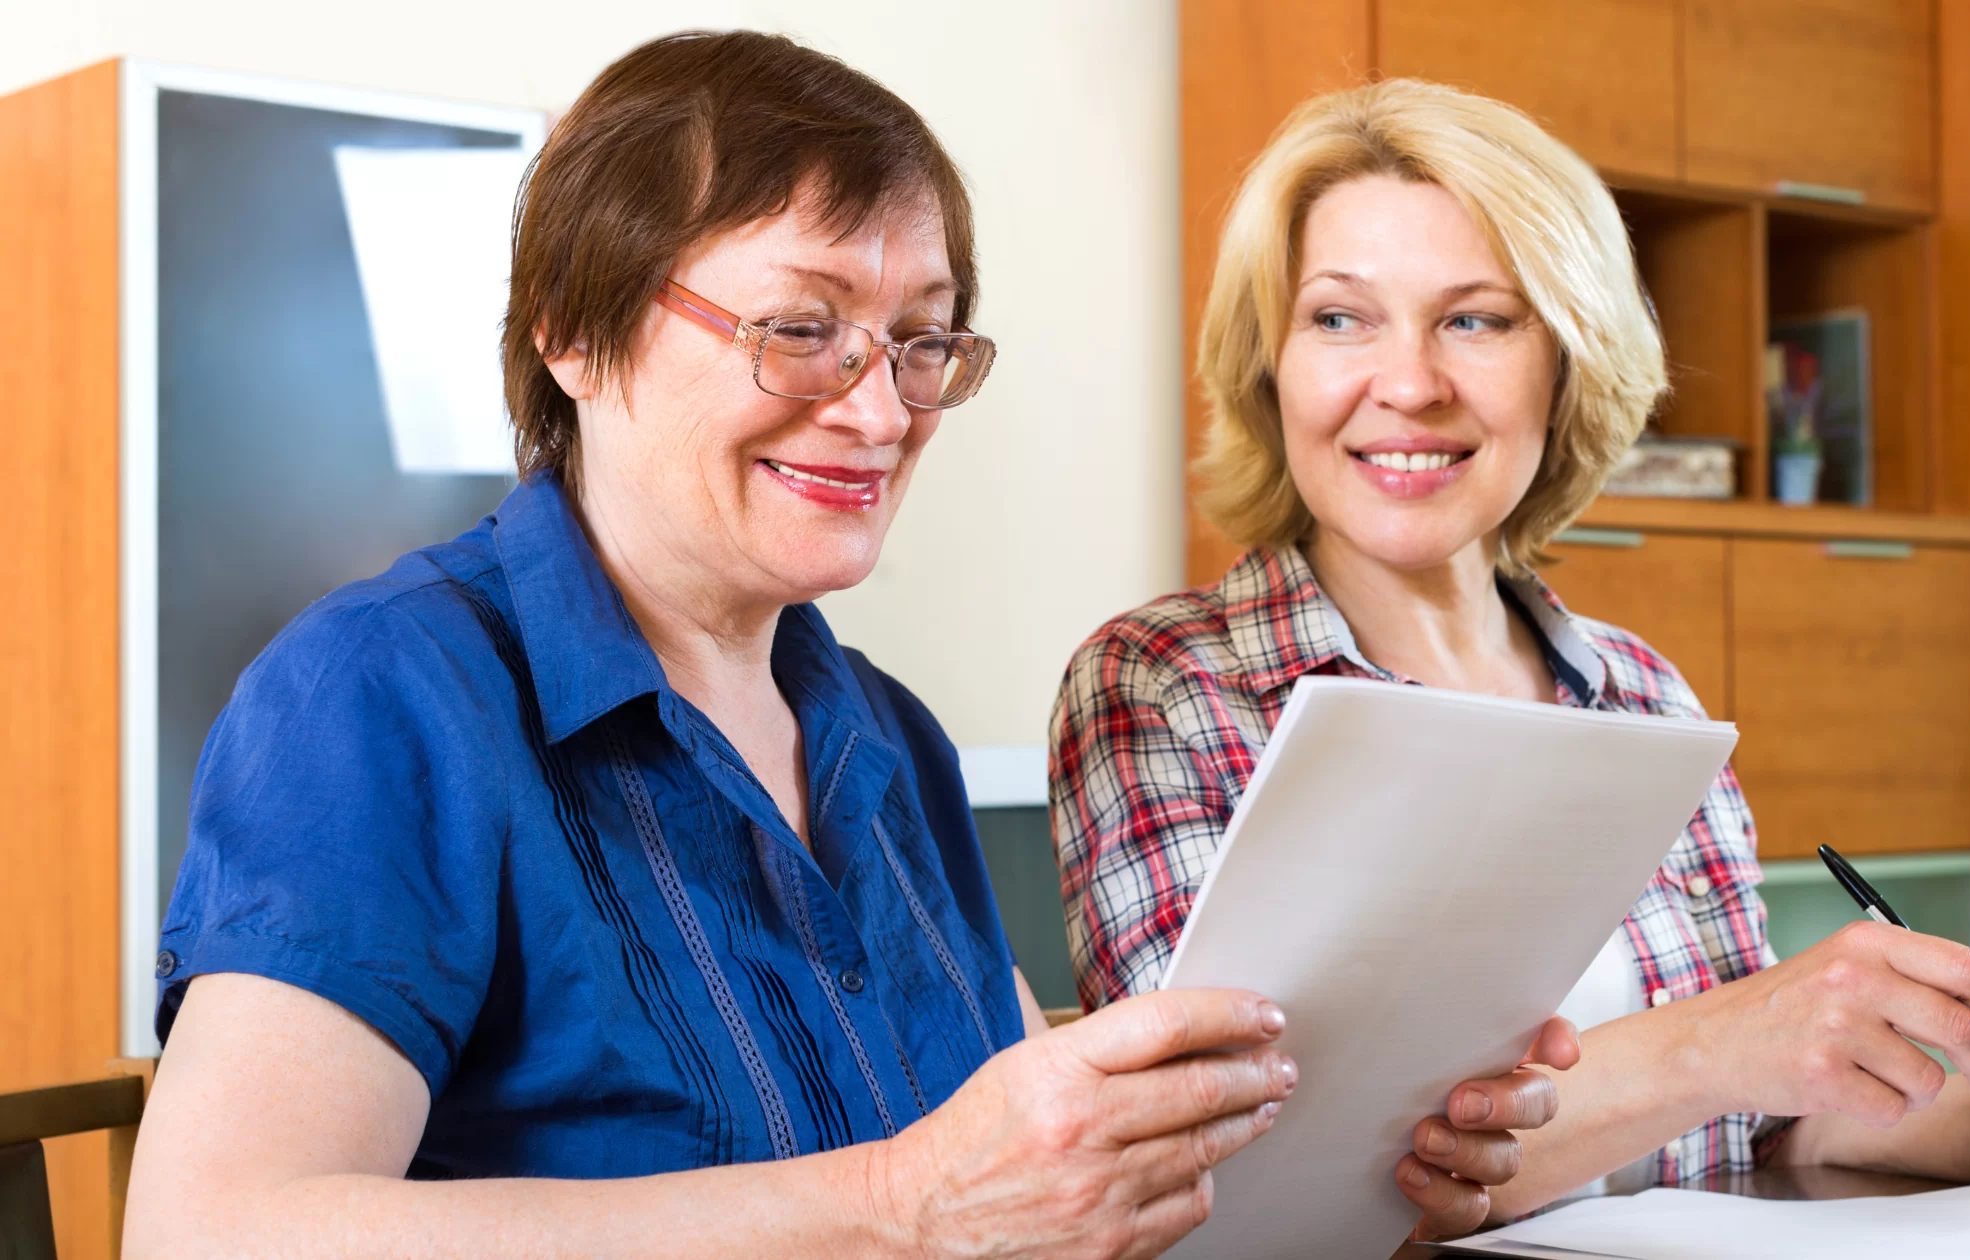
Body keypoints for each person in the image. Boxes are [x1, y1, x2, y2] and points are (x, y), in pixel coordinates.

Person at [125, 34, 1565, 1257]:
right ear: (572, 328)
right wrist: (902, 1203)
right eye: (803, 328)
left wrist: (1384, 1120)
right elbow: (218, 1229)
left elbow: (1023, 1174)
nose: (881, 414)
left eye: (923, 342)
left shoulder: (884, 734)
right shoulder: (386, 693)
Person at [1049, 78, 1970, 1235]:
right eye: (1339, 318)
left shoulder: (1641, 695)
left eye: (1476, 320)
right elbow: (1225, 1189)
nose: (1406, 383)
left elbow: (1759, 1118)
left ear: (1562, 364)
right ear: (1270, 365)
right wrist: (1711, 1043)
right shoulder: (1162, 688)